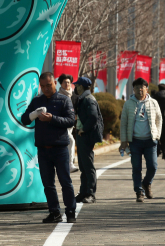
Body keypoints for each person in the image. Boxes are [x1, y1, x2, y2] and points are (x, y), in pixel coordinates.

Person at [21, 72, 77, 224]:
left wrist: (52, 118)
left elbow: (71, 121)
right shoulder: (37, 101)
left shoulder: (64, 100)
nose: (46, 88)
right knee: (48, 183)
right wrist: (33, 114)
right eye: (43, 86)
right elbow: (24, 119)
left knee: (65, 181)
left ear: (54, 84)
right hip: (43, 149)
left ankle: (71, 211)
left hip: (60, 148)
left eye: (49, 85)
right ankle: (54, 212)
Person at [120, 77, 162, 202]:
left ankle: (147, 183)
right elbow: (123, 123)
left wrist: (157, 135)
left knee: (153, 166)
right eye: (137, 88)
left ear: (146, 89)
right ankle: (139, 191)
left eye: (142, 87)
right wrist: (123, 141)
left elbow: (159, 119)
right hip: (135, 141)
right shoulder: (128, 103)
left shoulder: (153, 102)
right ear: (133, 89)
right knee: (136, 167)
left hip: (150, 141)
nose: (139, 90)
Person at [73, 77, 103, 204]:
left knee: (88, 166)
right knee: (83, 166)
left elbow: (93, 117)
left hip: (86, 135)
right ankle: (83, 192)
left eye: (77, 85)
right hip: (82, 135)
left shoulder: (88, 99)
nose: (75, 88)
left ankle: (91, 193)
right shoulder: (83, 98)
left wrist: (83, 129)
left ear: (81, 86)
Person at [57, 73, 78, 173]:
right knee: (71, 141)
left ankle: (65, 164)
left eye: (69, 82)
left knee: (66, 144)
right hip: (61, 123)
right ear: (61, 84)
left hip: (71, 125)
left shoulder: (74, 96)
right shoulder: (57, 96)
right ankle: (70, 164)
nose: (67, 84)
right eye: (65, 82)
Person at [152, 84, 165, 156]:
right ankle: (164, 151)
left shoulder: (154, 97)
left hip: (156, 118)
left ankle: (157, 150)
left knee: (157, 134)